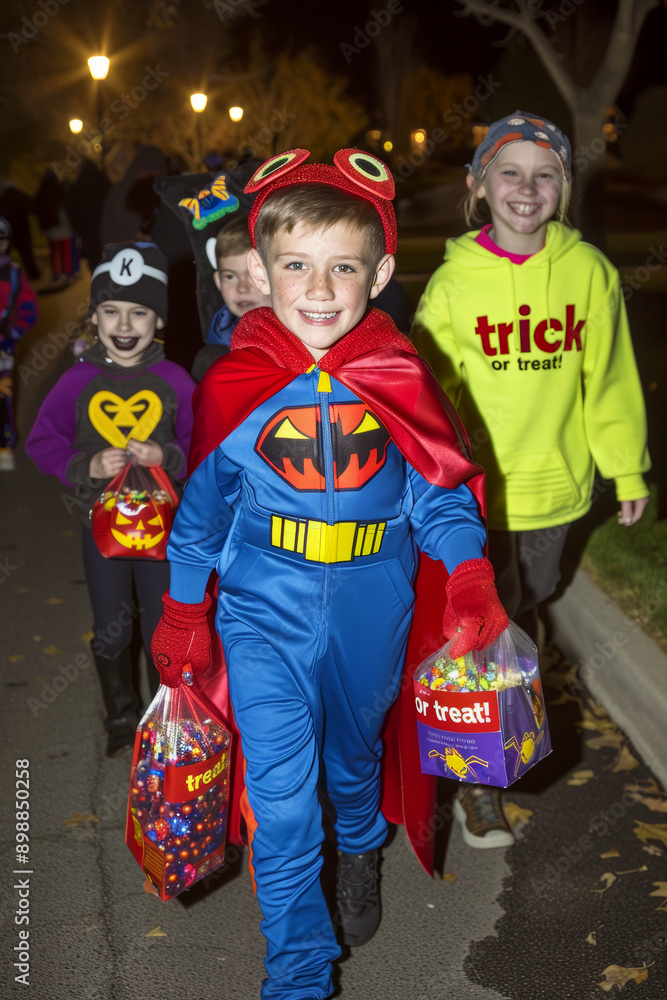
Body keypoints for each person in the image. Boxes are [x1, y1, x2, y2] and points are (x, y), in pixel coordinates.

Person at [150, 148, 509, 999]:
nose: (317, 289)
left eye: (341, 267)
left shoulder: (399, 373)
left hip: (370, 606)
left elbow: (441, 495)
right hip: (260, 609)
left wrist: (466, 575)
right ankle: (298, 974)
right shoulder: (239, 380)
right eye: (295, 266)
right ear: (259, 273)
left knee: (351, 764)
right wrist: (182, 610)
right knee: (277, 802)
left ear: (379, 272)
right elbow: (200, 513)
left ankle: (359, 848)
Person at [411, 111, 650, 851]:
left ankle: (507, 719)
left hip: (554, 491)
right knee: (481, 627)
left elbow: (607, 378)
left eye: (543, 173)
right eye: (508, 172)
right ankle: (474, 783)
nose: (526, 187)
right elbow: (420, 392)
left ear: (564, 187)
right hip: (473, 500)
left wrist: (626, 464)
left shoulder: (587, 272)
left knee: (527, 608)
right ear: (478, 185)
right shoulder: (451, 284)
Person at [25, 242, 196, 755]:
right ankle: (120, 716)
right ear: (94, 316)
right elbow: (41, 443)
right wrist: (85, 465)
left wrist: (166, 455)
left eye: (139, 311)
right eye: (112, 311)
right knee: (111, 626)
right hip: (100, 531)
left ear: (158, 319)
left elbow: (200, 443)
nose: (125, 324)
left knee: (162, 628)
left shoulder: (175, 380)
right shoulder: (76, 382)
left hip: (163, 531)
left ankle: (164, 714)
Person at [190, 214, 271, 382]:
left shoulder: (309, 339)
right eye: (229, 277)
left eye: (252, 275)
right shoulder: (213, 357)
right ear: (218, 282)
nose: (242, 288)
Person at [0, 217, 38, 470]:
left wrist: (14, 334)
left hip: (3, 347)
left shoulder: (13, 274)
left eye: (1, 240)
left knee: (2, 397)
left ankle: (4, 446)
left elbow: (28, 308)